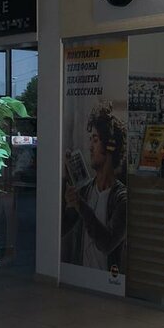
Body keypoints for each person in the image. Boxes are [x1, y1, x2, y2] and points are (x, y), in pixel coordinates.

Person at [62, 101, 128, 275]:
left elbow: (107, 244)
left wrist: (80, 205)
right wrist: (65, 182)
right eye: (90, 140)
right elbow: (61, 228)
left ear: (110, 146)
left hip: (109, 278)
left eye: (96, 140)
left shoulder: (122, 198)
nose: (90, 147)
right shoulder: (85, 190)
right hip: (83, 276)